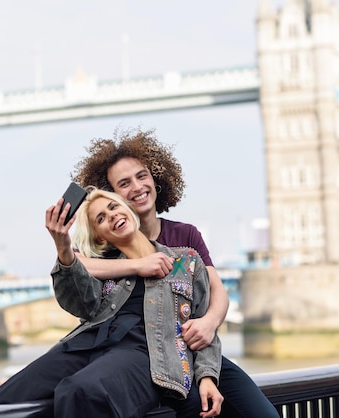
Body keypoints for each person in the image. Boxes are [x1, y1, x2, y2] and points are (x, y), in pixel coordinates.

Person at [71, 128, 279, 418]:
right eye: (124, 183)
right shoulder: (107, 245)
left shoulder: (185, 235)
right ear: (111, 195)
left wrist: (208, 323)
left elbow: (216, 292)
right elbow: (75, 265)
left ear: (156, 179)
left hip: (194, 351)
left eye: (142, 176)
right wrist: (137, 265)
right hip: (144, 360)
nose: (137, 187)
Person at [0, 188, 224, 417]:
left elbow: (204, 325)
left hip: (146, 352)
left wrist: (207, 378)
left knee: (82, 392)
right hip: (87, 344)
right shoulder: (101, 267)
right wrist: (63, 246)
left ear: (128, 210)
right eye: (101, 218)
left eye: (113, 207)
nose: (112, 215)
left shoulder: (186, 261)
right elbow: (78, 302)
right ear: (99, 237)